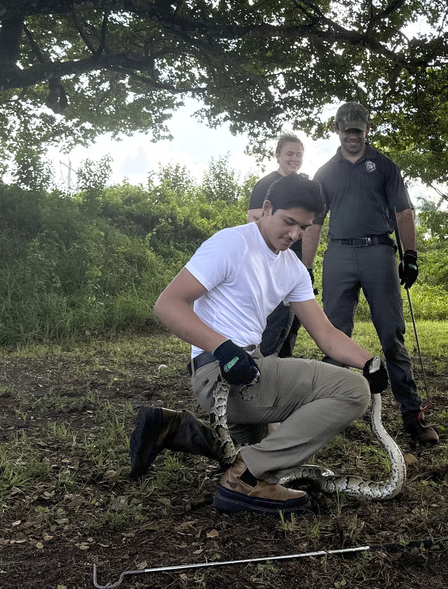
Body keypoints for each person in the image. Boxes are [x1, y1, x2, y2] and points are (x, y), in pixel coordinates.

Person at [130, 173, 389, 515]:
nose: (295, 234)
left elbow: (325, 333)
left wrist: (369, 361)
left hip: (250, 368)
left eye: (305, 227)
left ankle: (171, 427)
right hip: (219, 371)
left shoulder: (293, 268)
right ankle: (245, 479)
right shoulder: (231, 244)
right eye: (288, 222)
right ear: (266, 208)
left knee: (257, 450)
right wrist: (223, 348)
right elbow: (168, 304)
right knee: (353, 391)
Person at [304, 102, 439, 447]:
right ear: (336, 129)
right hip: (339, 254)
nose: (353, 134)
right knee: (333, 334)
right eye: (347, 129)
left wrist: (410, 254)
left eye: (358, 128)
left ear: (367, 128)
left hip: (379, 252)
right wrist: (305, 266)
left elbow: (404, 210)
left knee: (391, 335)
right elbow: (314, 223)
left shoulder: (384, 166)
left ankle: (413, 417)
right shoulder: (324, 173)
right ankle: (327, 416)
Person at [247, 134, 307, 357]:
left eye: (298, 154)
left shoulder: (302, 185)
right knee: (276, 317)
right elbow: (253, 222)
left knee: (293, 320)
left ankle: (284, 365)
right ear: (278, 155)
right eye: (289, 154)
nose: (294, 159)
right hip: (271, 261)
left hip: (297, 260)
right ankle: (261, 366)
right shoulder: (265, 184)